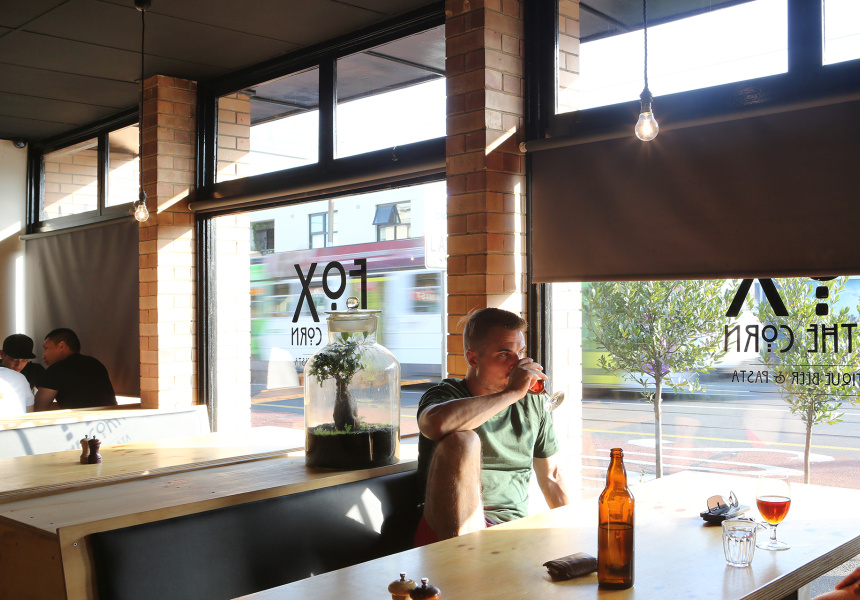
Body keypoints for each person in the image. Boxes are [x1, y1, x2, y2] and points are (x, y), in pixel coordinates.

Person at [414, 307, 570, 545]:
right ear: (473, 359)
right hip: (446, 532)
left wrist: (575, 536)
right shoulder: (446, 394)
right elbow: (434, 424)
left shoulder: (533, 402)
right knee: (463, 440)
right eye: (504, 354)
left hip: (510, 532)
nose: (517, 364)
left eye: (521, 353)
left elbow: (552, 476)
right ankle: (469, 556)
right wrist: (512, 393)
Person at [34, 328, 117, 411]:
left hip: (80, 418)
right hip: (112, 416)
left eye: (46, 348)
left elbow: (39, 408)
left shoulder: (56, 369)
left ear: (61, 346)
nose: (43, 356)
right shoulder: (96, 364)